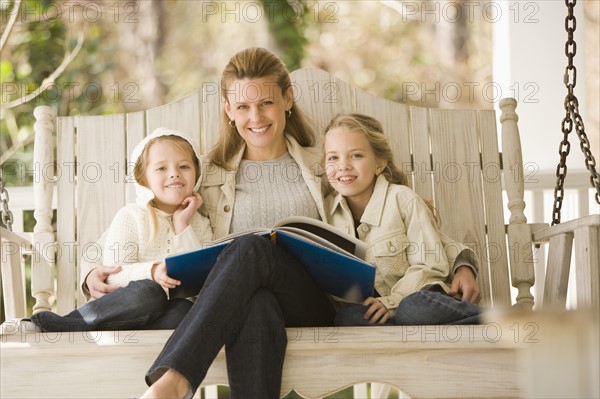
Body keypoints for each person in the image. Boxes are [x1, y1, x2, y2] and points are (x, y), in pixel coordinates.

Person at [140, 48, 480, 399]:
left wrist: (462, 261)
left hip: (313, 302)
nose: (255, 117)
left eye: (265, 103)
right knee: (258, 301)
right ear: (229, 111)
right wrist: (99, 273)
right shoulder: (207, 173)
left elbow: (397, 216)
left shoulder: (327, 162)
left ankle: (175, 380)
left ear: (287, 99)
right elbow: (150, 216)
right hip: (240, 305)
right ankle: (176, 382)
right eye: (242, 107)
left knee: (253, 248)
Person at [30, 128, 213, 332]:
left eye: (184, 166)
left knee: (185, 309)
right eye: (161, 168)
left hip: (153, 326)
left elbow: (205, 284)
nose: (174, 173)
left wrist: (182, 226)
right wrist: (151, 272)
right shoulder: (132, 216)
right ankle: (67, 325)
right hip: (127, 307)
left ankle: (81, 329)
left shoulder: (200, 224)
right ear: (143, 179)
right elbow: (112, 275)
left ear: (197, 173)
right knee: (149, 292)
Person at [323, 113, 480, 326]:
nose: (343, 166)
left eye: (356, 155)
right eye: (333, 157)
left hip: (416, 297)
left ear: (379, 164)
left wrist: (392, 302)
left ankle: (489, 319)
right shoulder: (327, 214)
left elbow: (430, 265)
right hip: (379, 315)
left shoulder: (402, 200)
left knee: (412, 309)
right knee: (347, 317)